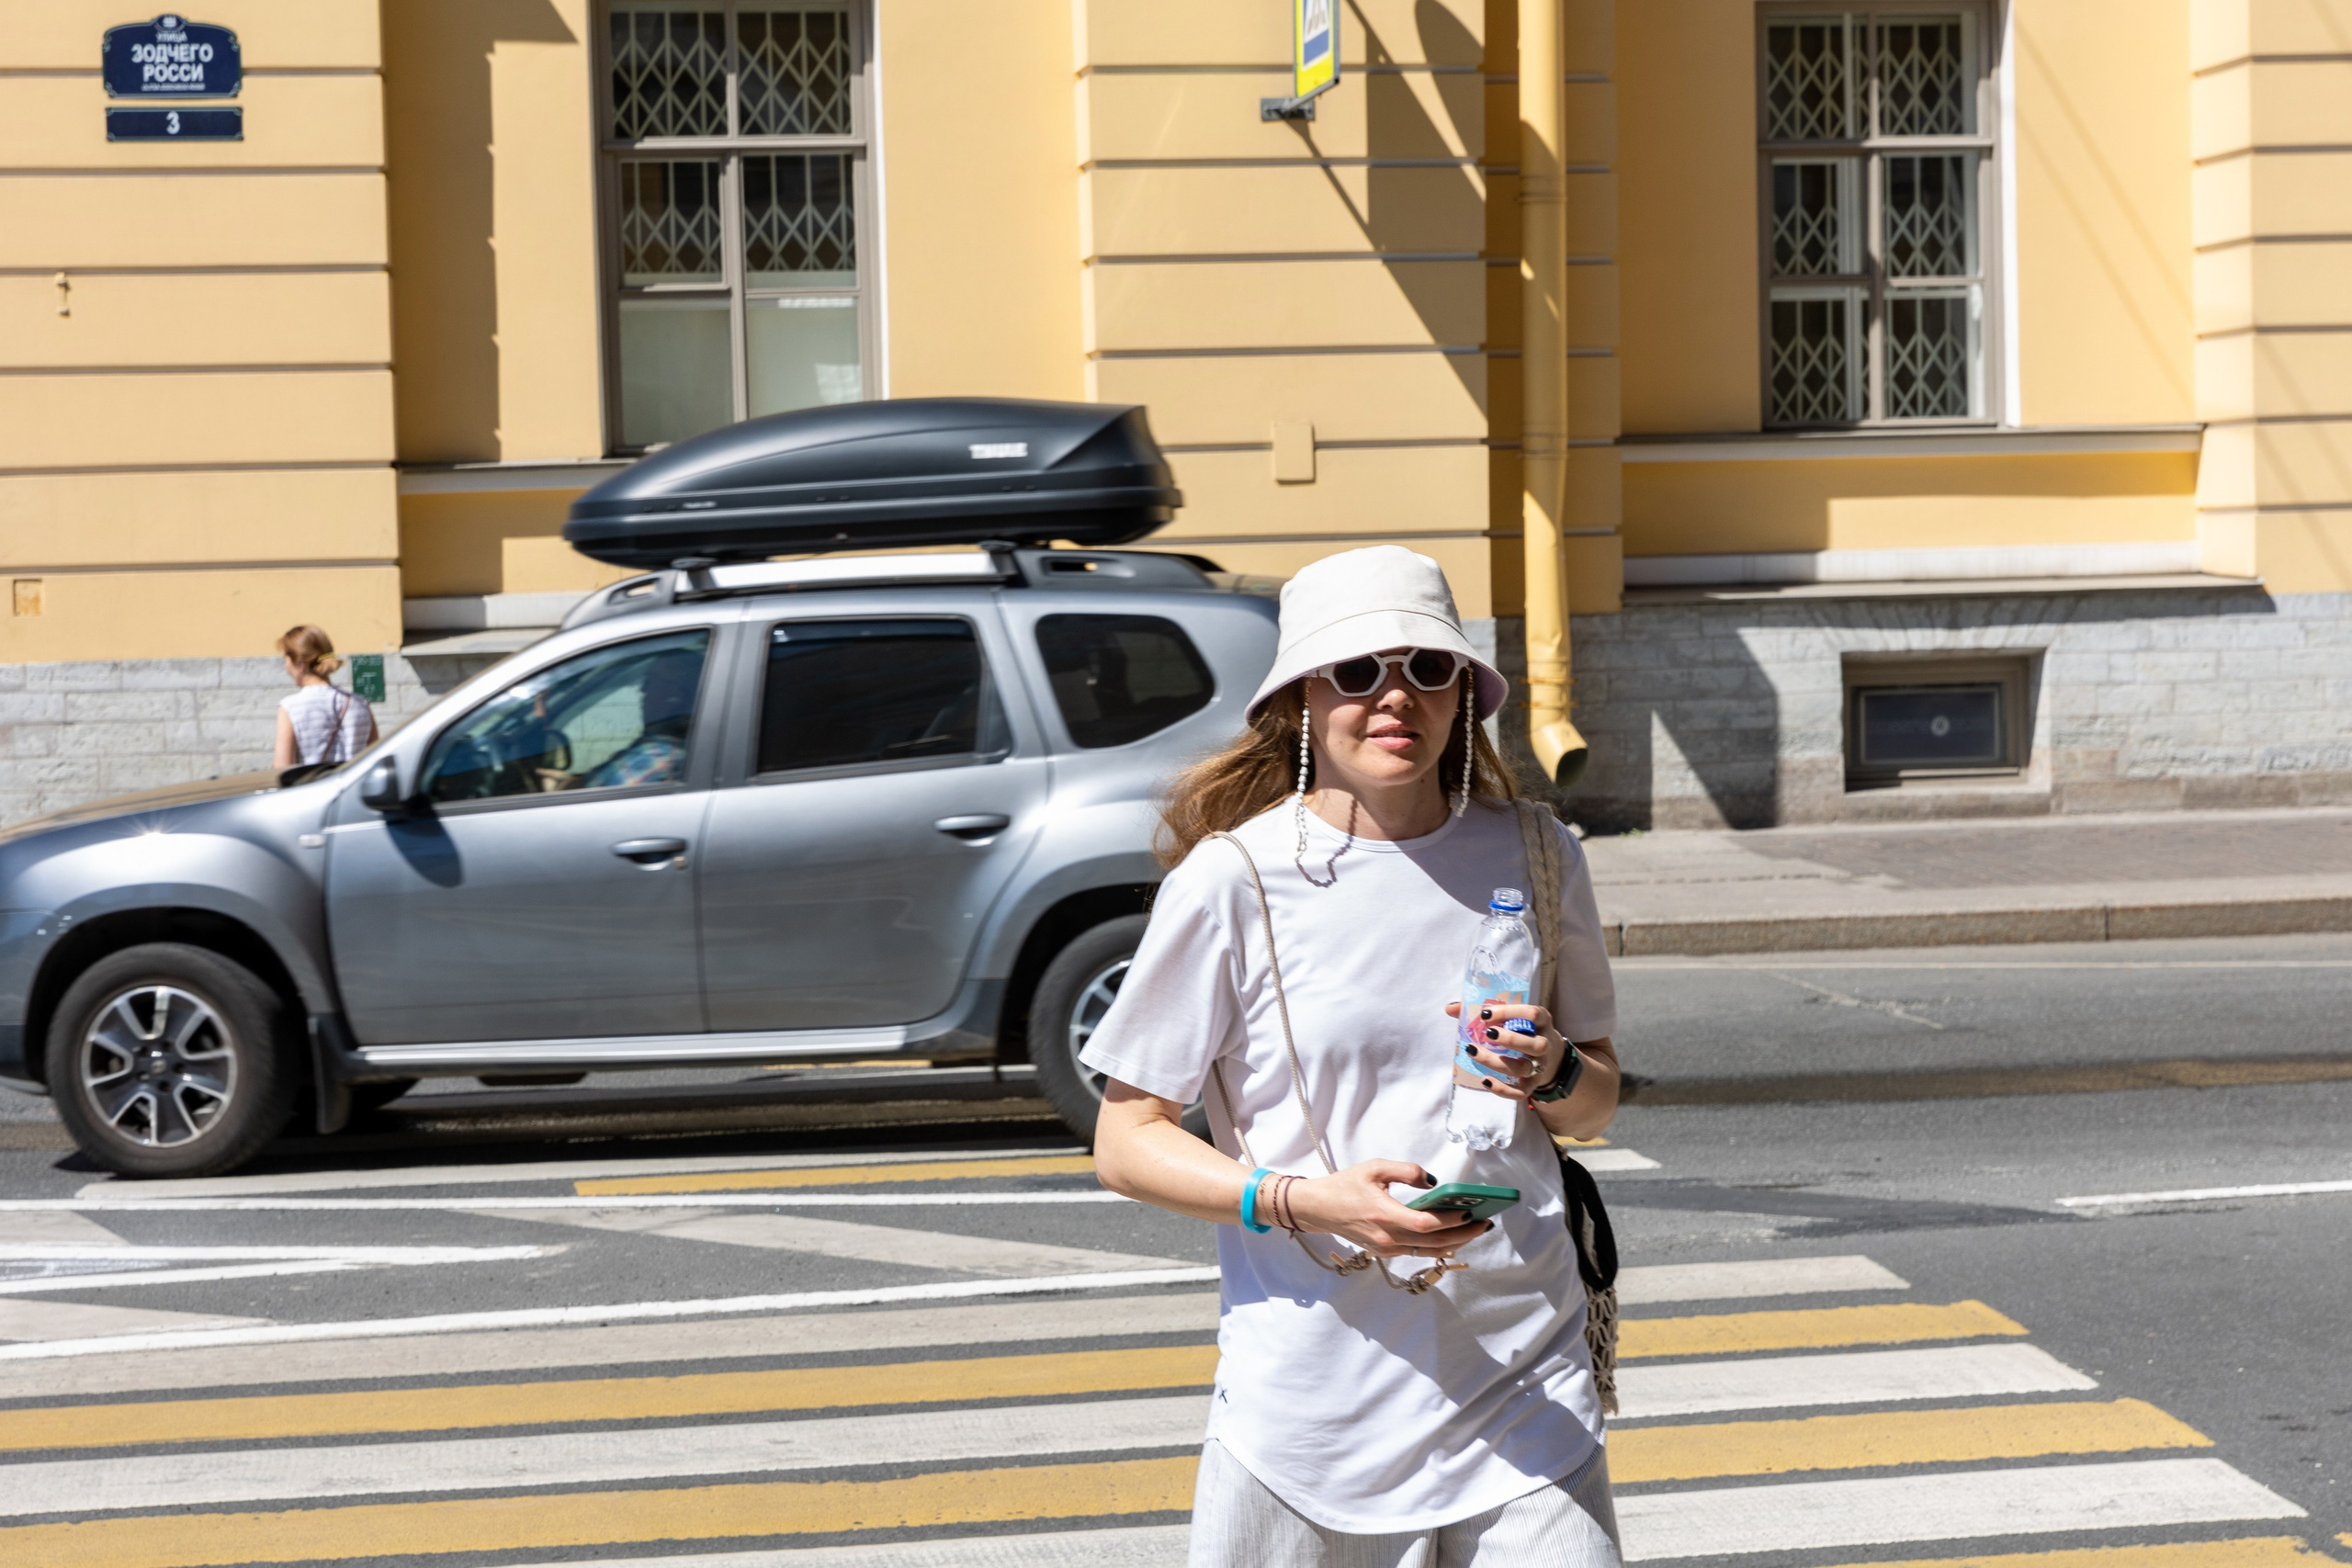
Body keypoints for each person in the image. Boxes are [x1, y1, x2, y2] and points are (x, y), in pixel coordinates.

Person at [1082, 546, 1625, 1567]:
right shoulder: (1231, 881)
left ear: (1464, 691)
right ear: (1298, 699)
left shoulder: (1540, 855)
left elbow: (1593, 1104)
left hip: (1521, 1367)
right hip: (1316, 1394)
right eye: (1357, 670)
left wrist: (1549, 1070)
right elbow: (1126, 1139)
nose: (1395, 697)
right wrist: (1310, 1201)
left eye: (1427, 668)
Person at [273, 625, 377, 768]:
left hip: (314, 789)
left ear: (299, 663)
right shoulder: (361, 703)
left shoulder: (289, 708)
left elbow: (282, 768)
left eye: (285, 659)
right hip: (355, 789)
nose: (286, 667)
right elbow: (376, 759)